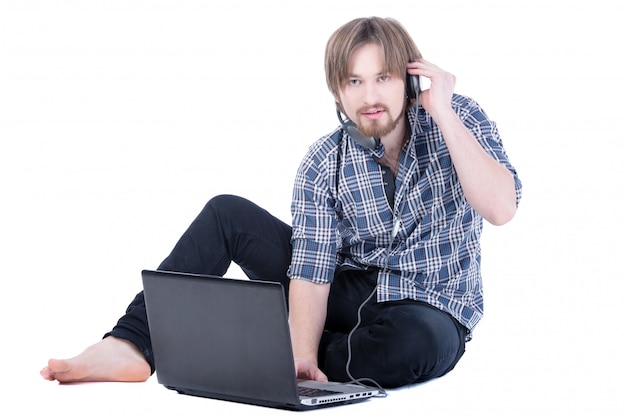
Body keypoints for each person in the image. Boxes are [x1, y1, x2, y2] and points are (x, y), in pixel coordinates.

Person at [41, 16, 522, 389]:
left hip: (429, 305)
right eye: (354, 82)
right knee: (226, 213)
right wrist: (303, 359)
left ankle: (262, 348)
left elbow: (501, 208)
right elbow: (312, 273)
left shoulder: (458, 119)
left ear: (410, 81)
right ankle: (131, 343)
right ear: (337, 89)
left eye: (384, 78)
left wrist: (441, 110)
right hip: (350, 292)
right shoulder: (322, 162)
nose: (370, 96)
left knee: (411, 346)